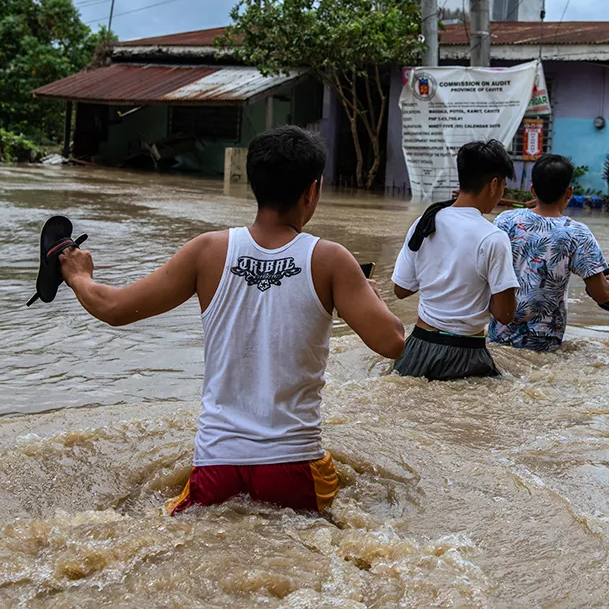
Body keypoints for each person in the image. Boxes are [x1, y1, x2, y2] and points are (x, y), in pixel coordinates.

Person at [58, 127, 406, 516]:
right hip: (294, 467)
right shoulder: (331, 260)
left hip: (216, 465)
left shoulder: (206, 250)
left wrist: (78, 275)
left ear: (253, 184)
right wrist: (371, 298)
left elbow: (114, 308)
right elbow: (392, 342)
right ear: (312, 191)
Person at [391, 139, 519, 380]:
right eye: (503, 186)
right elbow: (506, 315)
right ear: (494, 185)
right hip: (466, 355)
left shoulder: (424, 222)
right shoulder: (493, 237)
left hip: (417, 349)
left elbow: (400, 289)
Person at [489, 154, 609, 352]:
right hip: (544, 343)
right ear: (569, 192)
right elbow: (601, 293)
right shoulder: (577, 233)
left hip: (499, 337)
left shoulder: (505, 221)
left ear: (532, 189)